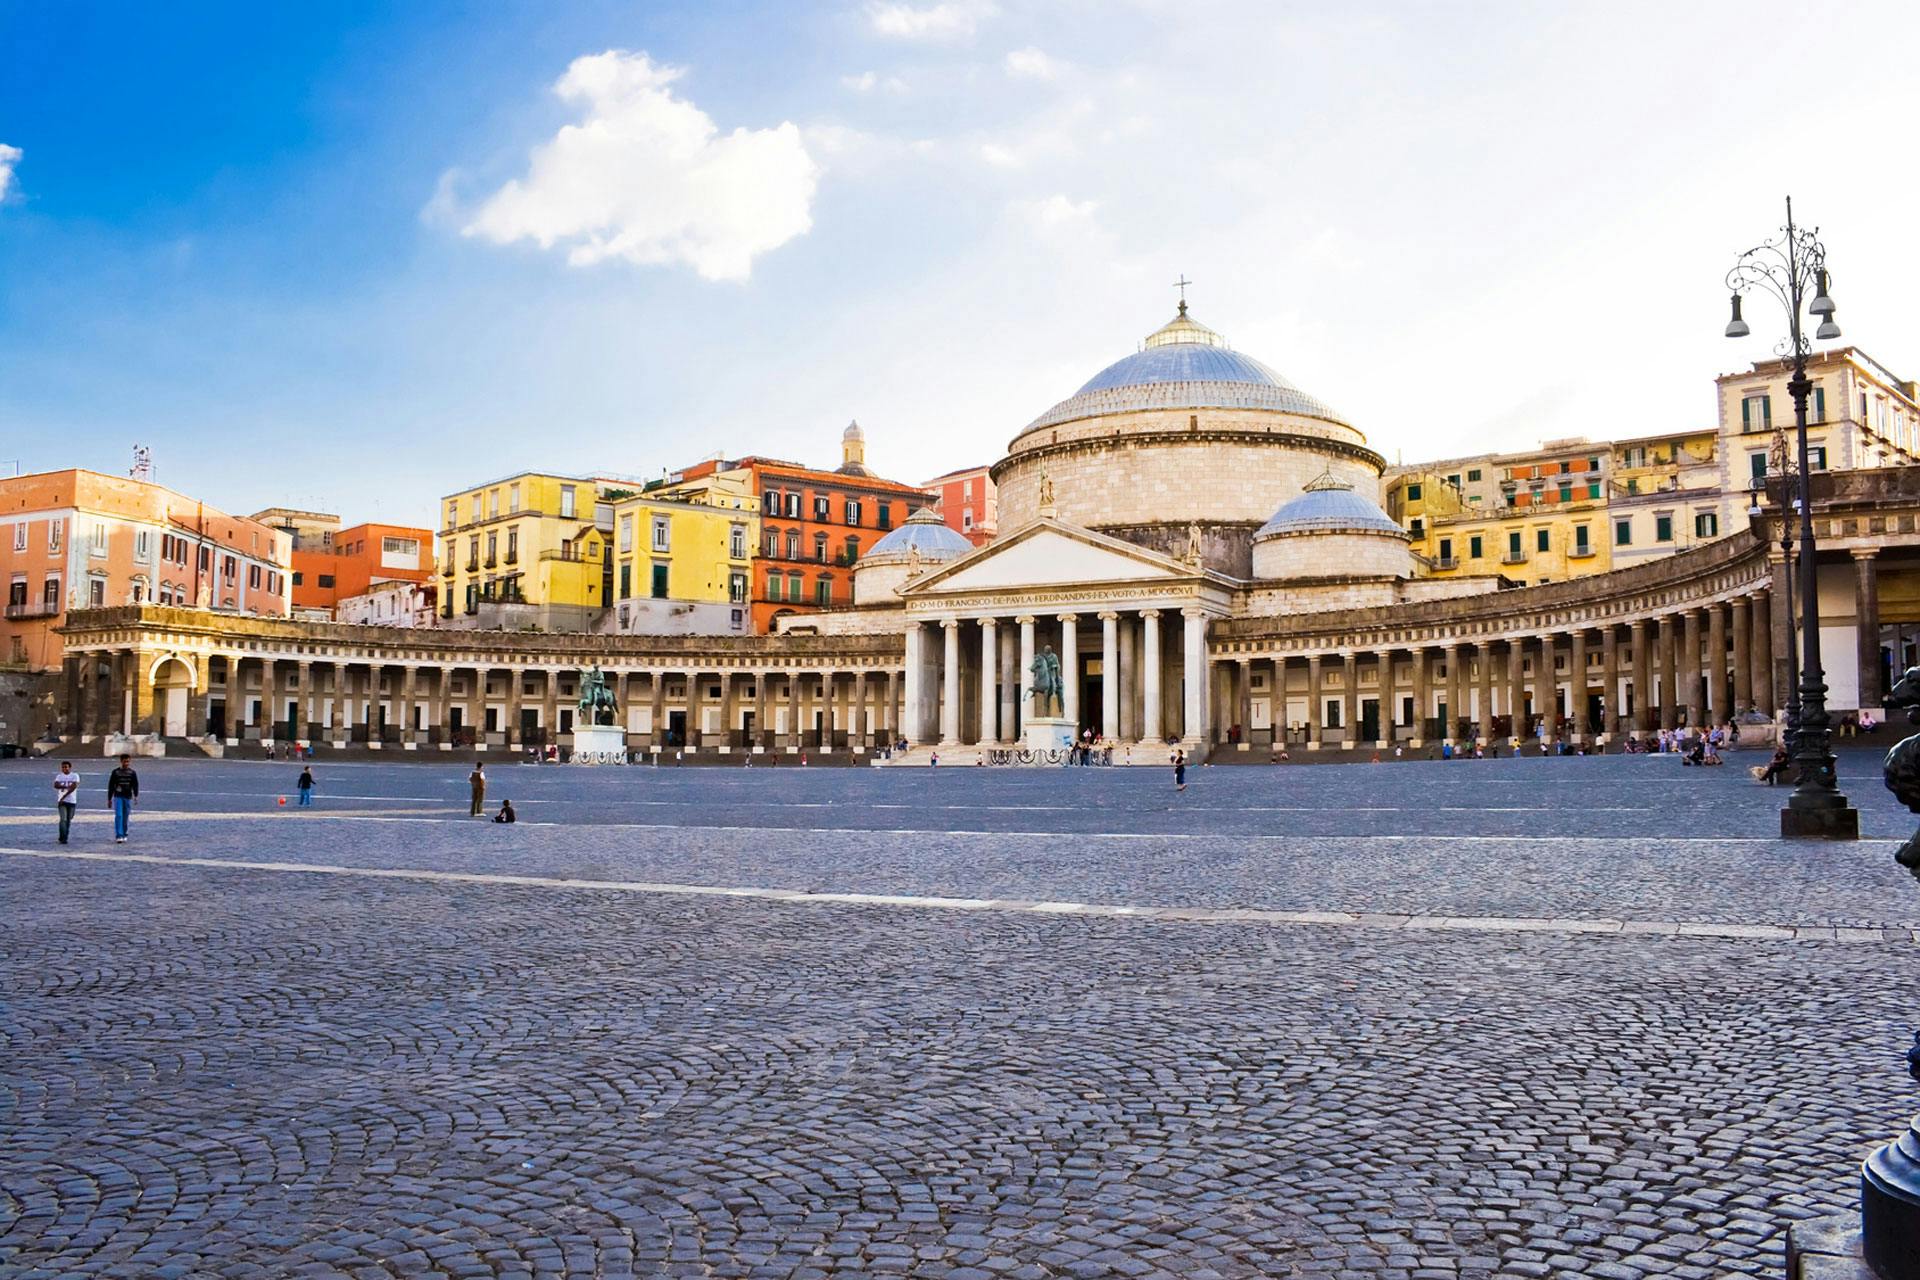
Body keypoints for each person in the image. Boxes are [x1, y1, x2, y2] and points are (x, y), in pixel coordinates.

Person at [106, 753, 139, 843]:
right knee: (119, 815)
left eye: (127, 761)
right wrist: (109, 799)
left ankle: (124, 833)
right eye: (124, 761)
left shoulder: (132, 773)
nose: (126, 763)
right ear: (121, 761)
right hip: (118, 796)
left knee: (125, 816)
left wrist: (135, 796)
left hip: (127, 796)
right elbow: (111, 785)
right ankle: (119, 834)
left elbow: (135, 785)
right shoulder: (115, 772)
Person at [53, 760, 79, 844]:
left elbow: (73, 787)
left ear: (69, 768)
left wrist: (64, 794)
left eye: (66, 767)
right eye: (63, 767)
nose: (64, 769)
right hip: (62, 802)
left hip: (71, 801)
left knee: (68, 819)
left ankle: (65, 835)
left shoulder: (75, 776)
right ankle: (62, 838)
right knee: (63, 819)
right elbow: (56, 785)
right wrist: (65, 786)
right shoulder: (59, 776)